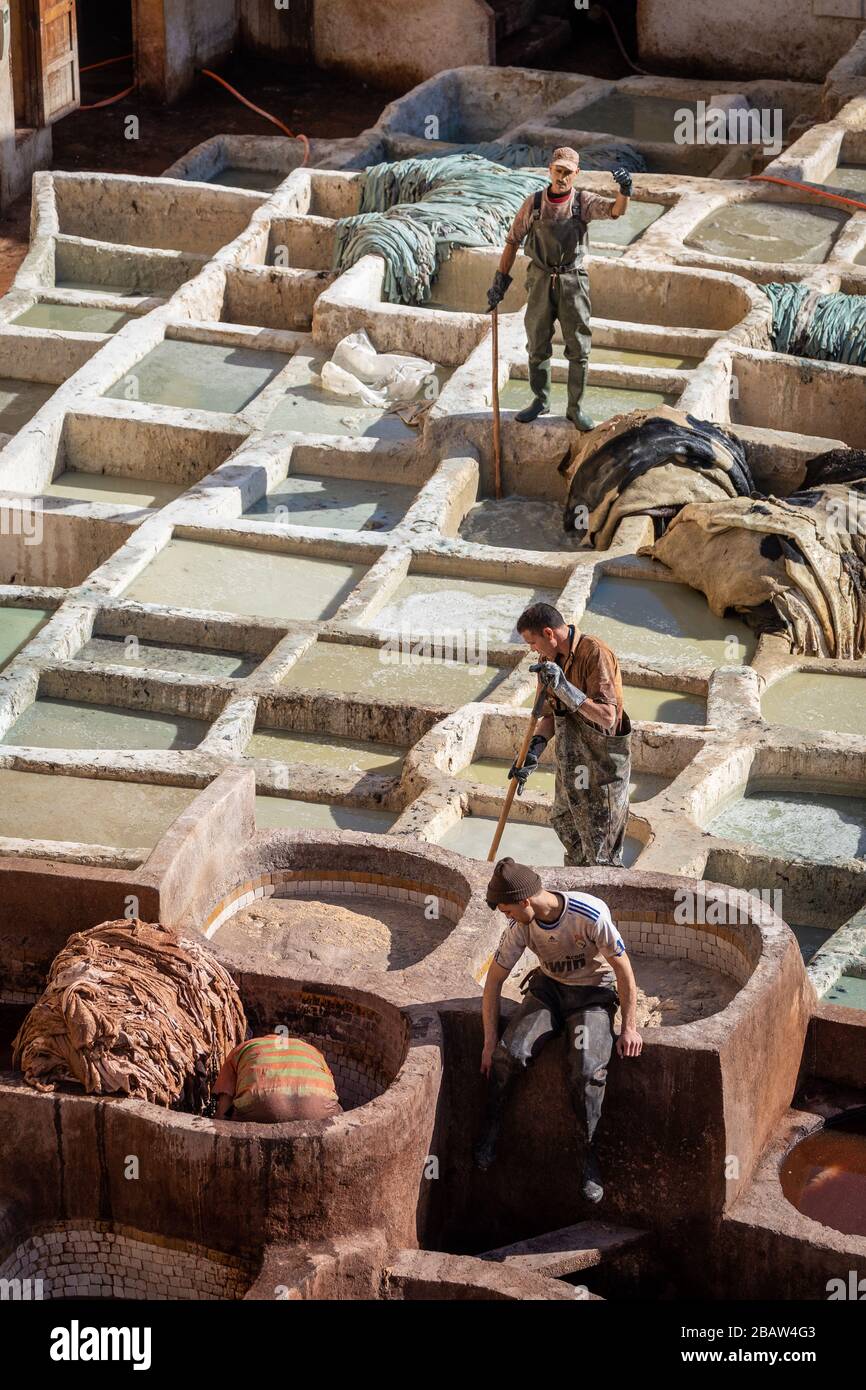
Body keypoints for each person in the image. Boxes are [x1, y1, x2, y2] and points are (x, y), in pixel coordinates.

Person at [476, 857, 642, 1202]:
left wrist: (629, 1027)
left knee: (587, 1070)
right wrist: (489, 1041)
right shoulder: (521, 926)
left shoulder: (590, 914)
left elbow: (624, 971)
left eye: (507, 909)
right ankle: (491, 1130)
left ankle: (589, 1156)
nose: (505, 916)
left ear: (524, 901)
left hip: (593, 995)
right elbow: (493, 981)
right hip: (549, 991)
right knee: (510, 1054)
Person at [486, 146, 632, 429]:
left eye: (568, 172)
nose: (562, 177)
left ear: (577, 174)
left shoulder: (582, 203)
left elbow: (616, 211)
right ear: (550, 170)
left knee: (579, 348)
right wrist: (498, 283)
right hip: (540, 280)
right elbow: (512, 241)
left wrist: (625, 190)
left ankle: (575, 408)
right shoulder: (535, 204)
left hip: (573, 281)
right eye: (558, 171)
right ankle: (540, 401)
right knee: (537, 344)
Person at [513, 602, 632, 867]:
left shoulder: (595, 653)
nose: (532, 649)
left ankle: (603, 900)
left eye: (532, 642)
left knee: (601, 851)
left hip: (601, 765)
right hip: (572, 761)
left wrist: (564, 686)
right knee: (564, 821)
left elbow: (607, 715)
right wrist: (533, 751)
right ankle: (577, 892)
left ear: (548, 633)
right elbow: (550, 714)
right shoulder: (547, 659)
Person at [214, 1030, 343, 1123]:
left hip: (261, 1107)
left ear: (265, 1038)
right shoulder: (311, 1050)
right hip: (319, 1109)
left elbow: (223, 1108)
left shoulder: (243, 1048)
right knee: (338, 1109)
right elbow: (332, 1087)